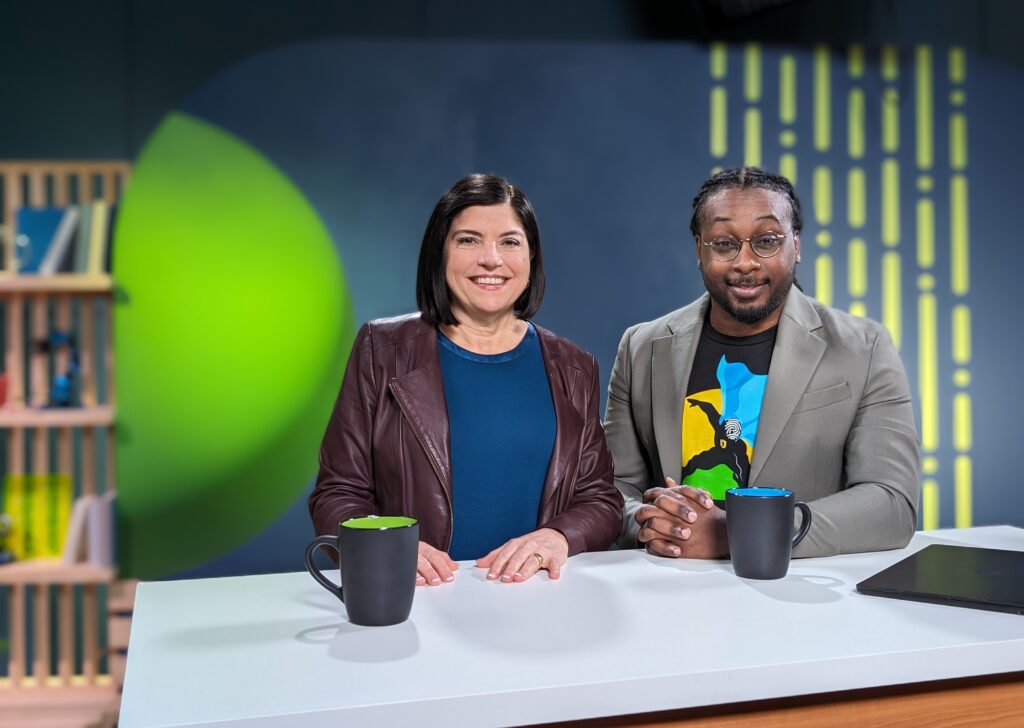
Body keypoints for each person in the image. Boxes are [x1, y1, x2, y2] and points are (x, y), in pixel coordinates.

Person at [310, 174, 622, 585]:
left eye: (510, 242)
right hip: (421, 597)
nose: (491, 259)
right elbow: (337, 492)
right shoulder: (381, 350)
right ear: (439, 253)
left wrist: (558, 536)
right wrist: (384, 544)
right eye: (468, 240)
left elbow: (601, 500)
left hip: (536, 600)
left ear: (531, 258)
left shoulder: (575, 367)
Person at [604, 167, 919, 559]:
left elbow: (892, 504)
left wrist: (736, 534)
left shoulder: (864, 347)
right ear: (699, 249)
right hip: (672, 590)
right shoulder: (642, 347)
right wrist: (656, 524)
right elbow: (612, 490)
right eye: (723, 244)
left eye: (767, 241)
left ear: (797, 245)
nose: (746, 262)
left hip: (799, 595)